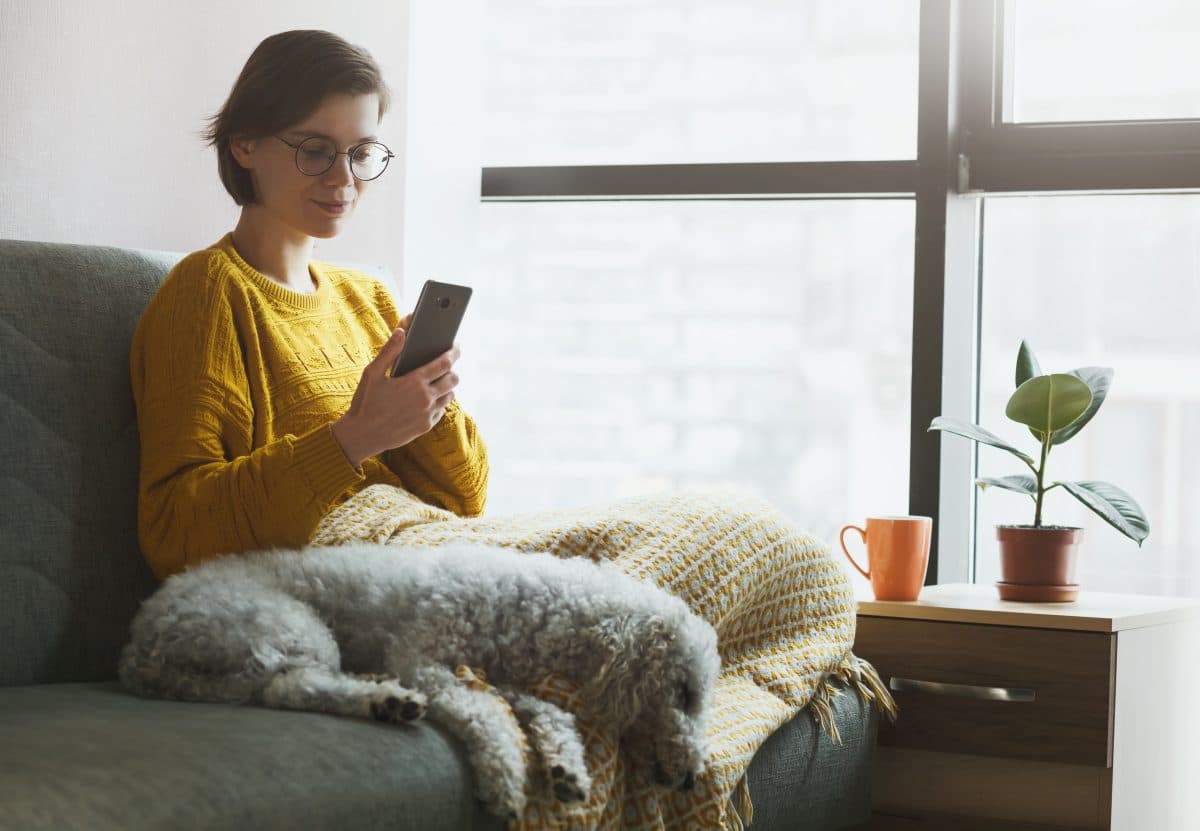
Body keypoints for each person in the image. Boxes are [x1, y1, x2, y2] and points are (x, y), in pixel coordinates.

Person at [129, 30, 487, 583]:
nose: (343, 179)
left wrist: (427, 406)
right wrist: (357, 437)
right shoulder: (208, 291)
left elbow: (466, 498)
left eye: (361, 153)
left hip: (429, 559)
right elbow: (177, 532)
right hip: (343, 587)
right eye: (316, 150)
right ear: (245, 143)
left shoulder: (365, 297)